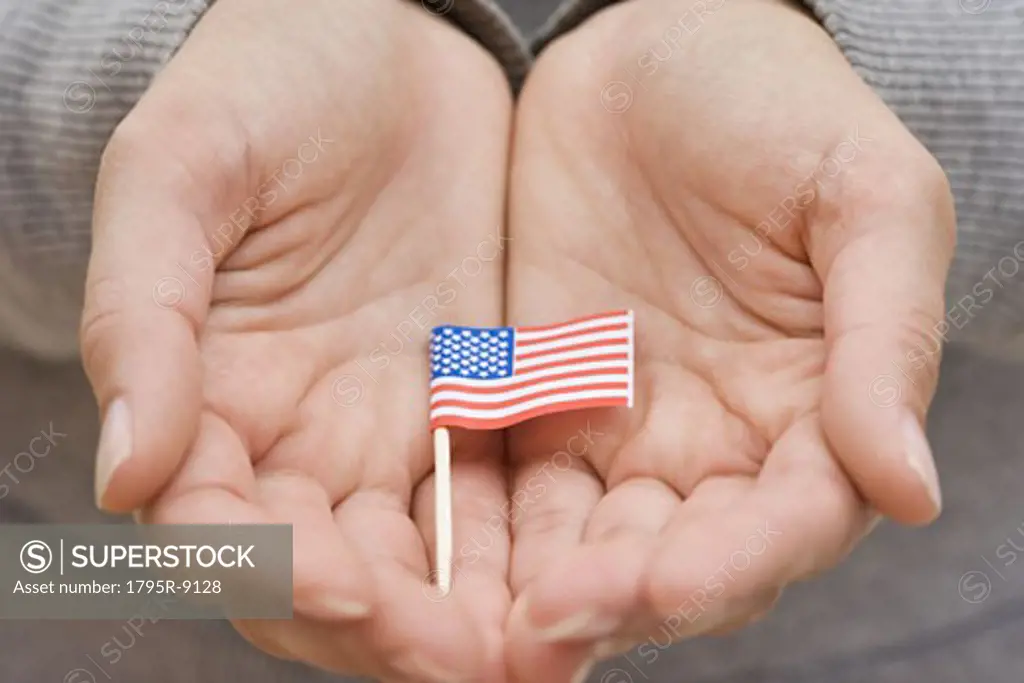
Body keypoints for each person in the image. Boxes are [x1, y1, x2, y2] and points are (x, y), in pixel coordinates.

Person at [0, 0, 1021, 681]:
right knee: (201, 565)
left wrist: (897, 112)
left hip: (914, 630)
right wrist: (122, 105)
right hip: (91, 583)